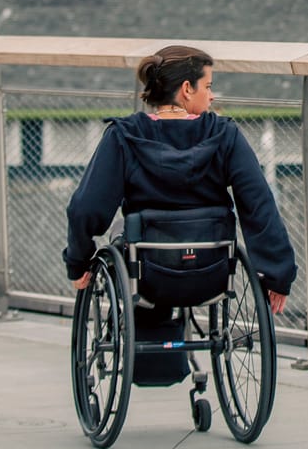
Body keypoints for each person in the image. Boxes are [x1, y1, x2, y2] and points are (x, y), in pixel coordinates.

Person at [65, 45, 293, 317]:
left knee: (122, 232)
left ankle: (148, 342)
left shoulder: (124, 136)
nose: (211, 96)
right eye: (207, 87)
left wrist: (78, 263)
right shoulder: (224, 134)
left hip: (148, 274)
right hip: (212, 271)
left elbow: (86, 207)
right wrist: (277, 273)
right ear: (187, 89)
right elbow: (258, 205)